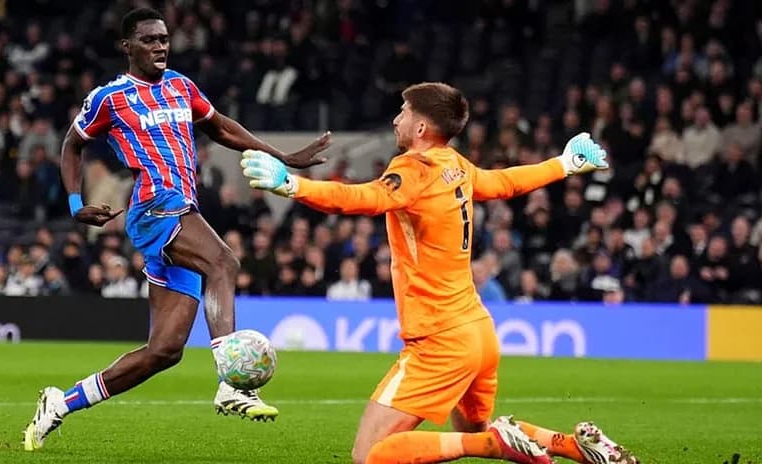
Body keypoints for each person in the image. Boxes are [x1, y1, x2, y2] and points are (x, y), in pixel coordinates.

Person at [241, 82, 638, 464]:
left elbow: (363, 198)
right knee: (473, 430)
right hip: (478, 334)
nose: (396, 120)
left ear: (420, 127)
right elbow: (504, 183)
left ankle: (497, 445)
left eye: (403, 112)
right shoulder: (456, 165)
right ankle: (576, 448)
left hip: (439, 340)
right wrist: (563, 164)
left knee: (371, 455)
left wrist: (293, 185)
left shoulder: (414, 170)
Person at [23, 7, 330, 451]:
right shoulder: (109, 98)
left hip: (181, 210)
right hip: (152, 208)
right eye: (150, 40)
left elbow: (221, 127)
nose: (161, 46)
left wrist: (282, 155)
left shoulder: (181, 87)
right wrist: (75, 204)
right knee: (224, 260)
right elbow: (73, 145)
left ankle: (60, 403)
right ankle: (233, 384)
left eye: (164, 39)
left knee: (163, 352)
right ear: (127, 46)